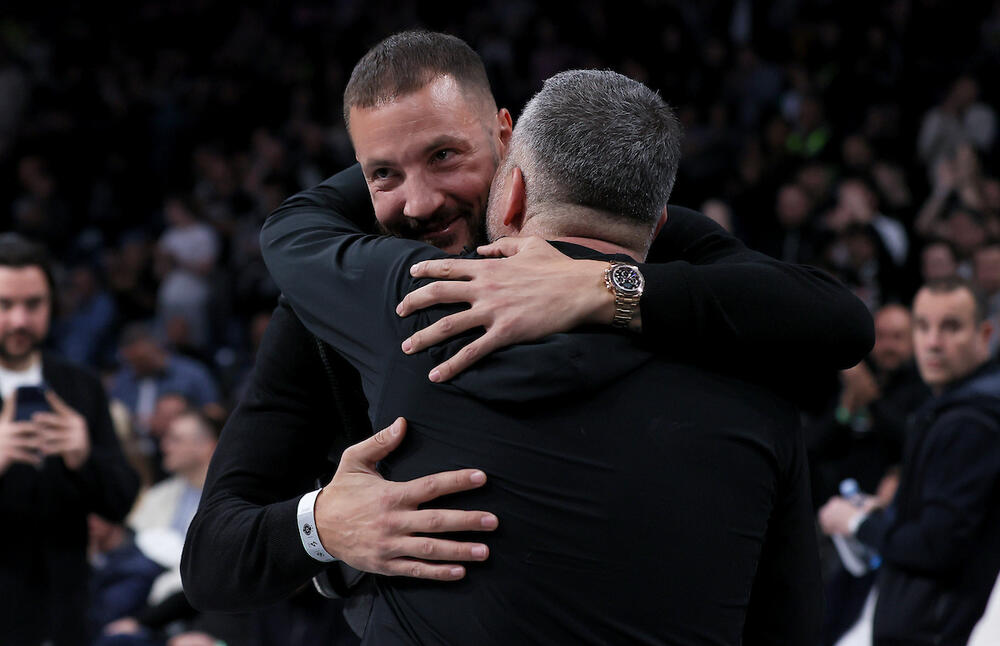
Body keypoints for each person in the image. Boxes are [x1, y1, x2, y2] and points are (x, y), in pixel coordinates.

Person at [182, 30, 871, 621]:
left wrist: (604, 288)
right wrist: (320, 527)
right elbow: (212, 558)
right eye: (384, 174)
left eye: (445, 156)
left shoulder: (620, 239)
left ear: (507, 141)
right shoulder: (336, 300)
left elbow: (835, 318)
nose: (419, 203)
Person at [819, 276, 1000, 645]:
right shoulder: (949, 410)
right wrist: (885, 513)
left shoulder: (971, 423)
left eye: (951, 327)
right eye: (923, 326)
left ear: (984, 334)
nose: (933, 342)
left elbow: (936, 546)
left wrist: (857, 522)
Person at [0, 233, 139, 645]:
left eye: (33, 304)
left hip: (65, 614)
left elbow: (122, 498)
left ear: (52, 304)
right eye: (4, 305)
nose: (20, 320)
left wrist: (84, 457)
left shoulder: (80, 385)